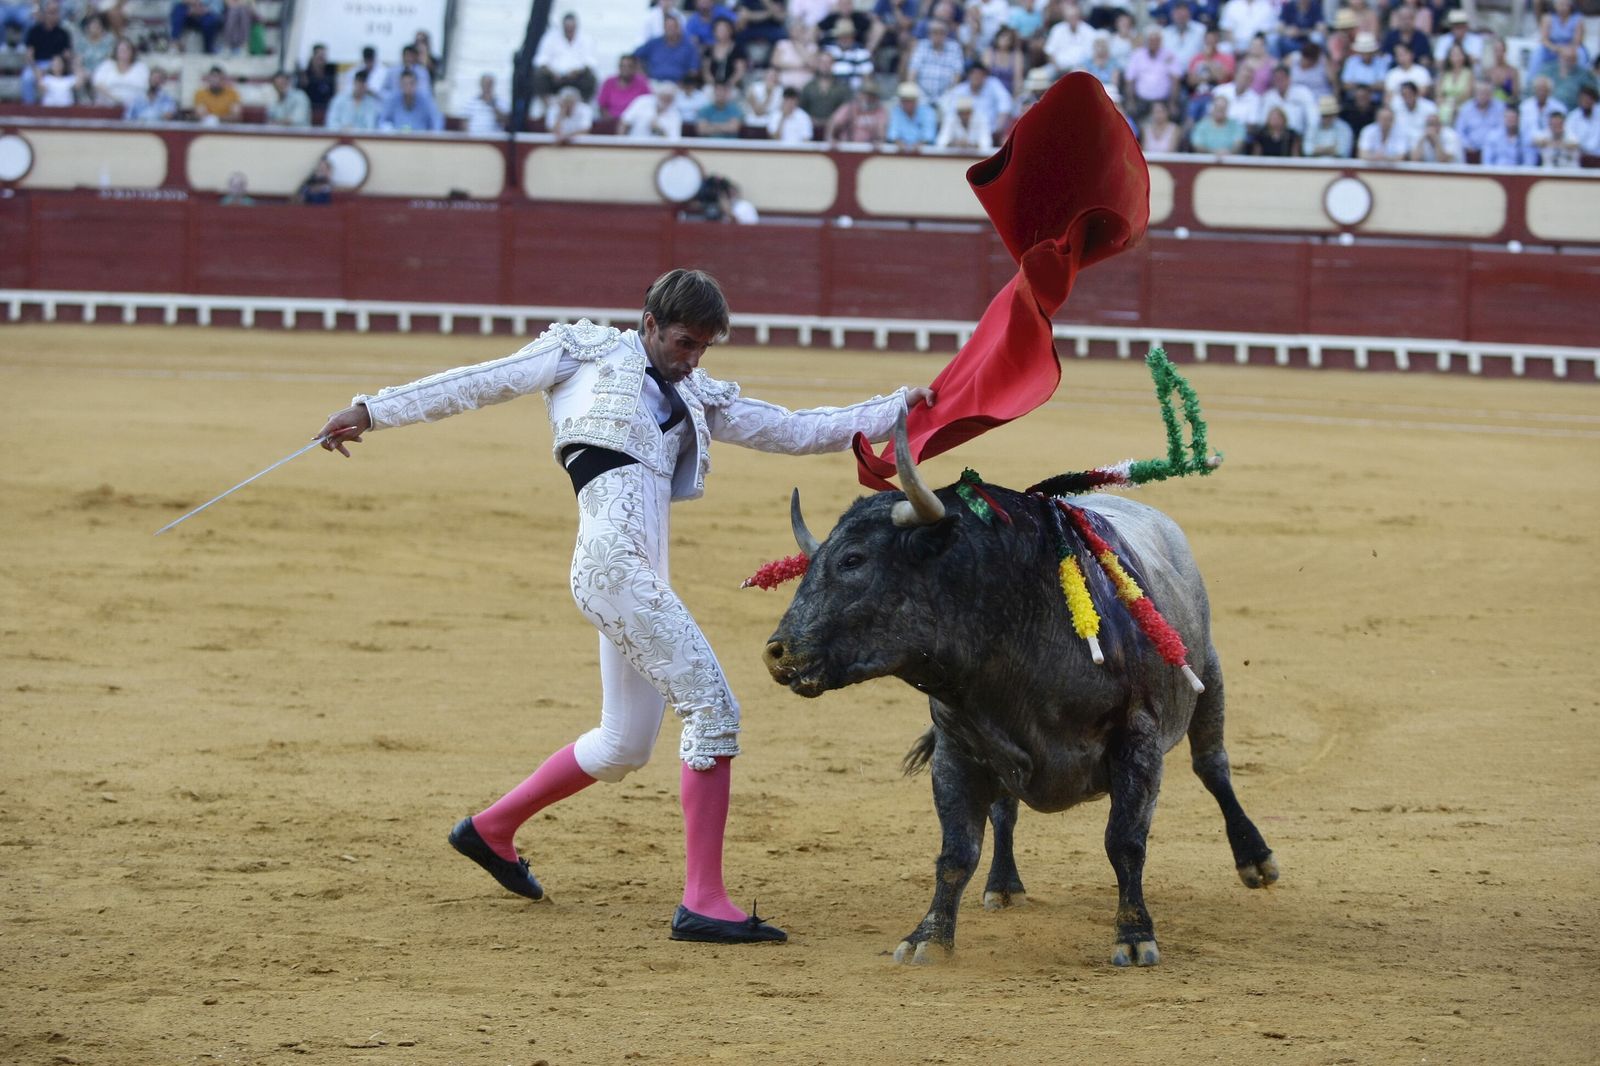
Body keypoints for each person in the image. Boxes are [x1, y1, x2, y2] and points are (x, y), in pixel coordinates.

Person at [311, 270, 936, 945]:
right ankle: (704, 901)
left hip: (639, 573)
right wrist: (370, 410)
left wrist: (897, 407)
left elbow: (797, 429)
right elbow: (478, 381)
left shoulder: (697, 392)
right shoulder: (581, 353)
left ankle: (491, 830)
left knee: (623, 742)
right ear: (647, 324)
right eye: (682, 342)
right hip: (613, 565)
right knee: (713, 708)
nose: (691, 357)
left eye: (702, 347)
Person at [534, 11, 598, 103]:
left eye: (572, 27)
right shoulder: (550, 38)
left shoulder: (586, 39)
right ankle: (547, 103)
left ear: (576, 26)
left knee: (590, 78)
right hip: (555, 77)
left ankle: (583, 103)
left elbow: (590, 62)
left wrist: (576, 72)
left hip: (577, 77)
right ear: (563, 26)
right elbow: (541, 60)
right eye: (567, 27)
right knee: (538, 75)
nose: (569, 30)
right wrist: (552, 73)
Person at [20, 1, 73, 106]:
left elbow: (67, 55)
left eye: (56, 12)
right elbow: (29, 55)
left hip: (56, 65)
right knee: (27, 78)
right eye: (51, 12)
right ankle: (29, 109)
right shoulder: (34, 31)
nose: (54, 15)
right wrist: (36, 70)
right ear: (44, 13)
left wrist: (56, 66)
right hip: (37, 64)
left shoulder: (63, 33)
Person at [906, 18, 965, 101]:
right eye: (934, 32)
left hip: (947, 95)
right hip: (922, 96)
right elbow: (912, 71)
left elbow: (957, 74)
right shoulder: (922, 46)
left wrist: (949, 94)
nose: (938, 35)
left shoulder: (954, 47)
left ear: (946, 34)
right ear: (929, 34)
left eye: (941, 32)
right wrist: (913, 92)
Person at [635, 12, 701, 84]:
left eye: (673, 26)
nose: (670, 29)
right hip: (654, 83)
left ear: (678, 28)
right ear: (663, 27)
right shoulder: (653, 43)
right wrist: (642, 75)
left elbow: (693, 70)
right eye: (668, 26)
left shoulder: (689, 47)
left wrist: (685, 84)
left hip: (678, 86)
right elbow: (634, 57)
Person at [90, 37, 147, 112]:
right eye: (121, 50)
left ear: (132, 52)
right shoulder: (107, 65)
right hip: (109, 104)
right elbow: (98, 84)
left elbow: (144, 87)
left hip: (134, 106)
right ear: (116, 52)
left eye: (127, 50)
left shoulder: (140, 67)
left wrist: (125, 101)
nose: (124, 52)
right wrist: (116, 99)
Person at [826, 81, 890, 145]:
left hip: (870, 148)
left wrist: (880, 140)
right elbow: (834, 122)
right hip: (848, 147)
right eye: (865, 94)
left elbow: (882, 129)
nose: (868, 98)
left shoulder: (880, 111)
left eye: (872, 95)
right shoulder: (849, 108)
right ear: (859, 94)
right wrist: (830, 138)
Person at [597, 55, 650, 120]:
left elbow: (648, 104)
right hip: (611, 122)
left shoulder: (642, 83)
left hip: (633, 123)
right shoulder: (608, 82)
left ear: (635, 68)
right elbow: (602, 106)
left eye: (629, 66)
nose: (625, 69)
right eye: (622, 66)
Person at [887, 80, 936, 148]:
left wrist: (919, 145)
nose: (907, 104)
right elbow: (893, 134)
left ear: (916, 100)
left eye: (910, 100)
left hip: (924, 153)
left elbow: (929, 136)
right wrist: (899, 143)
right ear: (900, 101)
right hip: (901, 152)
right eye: (904, 100)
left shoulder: (928, 112)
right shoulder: (896, 111)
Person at [297, 43, 337, 113]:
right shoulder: (305, 75)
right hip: (308, 109)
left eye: (324, 57)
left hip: (326, 109)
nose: (322, 60)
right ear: (313, 57)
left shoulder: (330, 73)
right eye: (320, 57)